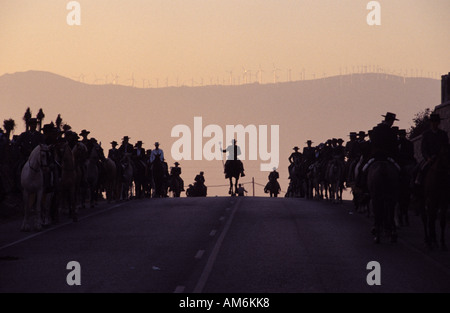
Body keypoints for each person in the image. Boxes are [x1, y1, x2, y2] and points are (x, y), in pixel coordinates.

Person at [416, 113, 449, 185]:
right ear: (430, 123)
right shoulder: (426, 134)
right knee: (421, 168)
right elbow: (423, 148)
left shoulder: (443, 134)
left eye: (436, 122)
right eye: (433, 122)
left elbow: (446, 147)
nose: (434, 124)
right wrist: (427, 158)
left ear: (438, 123)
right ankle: (417, 184)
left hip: (441, 157)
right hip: (430, 158)